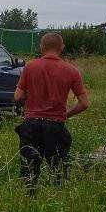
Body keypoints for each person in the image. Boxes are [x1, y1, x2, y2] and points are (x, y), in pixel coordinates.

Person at [13, 32, 90, 192]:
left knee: (29, 169)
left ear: (41, 47)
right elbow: (84, 104)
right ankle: (57, 199)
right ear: (62, 47)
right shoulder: (72, 71)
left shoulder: (30, 67)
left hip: (31, 125)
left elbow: (18, 96)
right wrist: (65, 115)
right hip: (56, 126)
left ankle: (29, 199)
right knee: (58, 170)